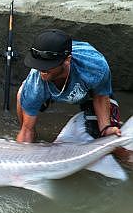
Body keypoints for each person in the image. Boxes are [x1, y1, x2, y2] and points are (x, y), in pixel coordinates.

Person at [16, 29, 131, 162]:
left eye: (47, 66)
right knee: (22, 95)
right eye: (38, 65)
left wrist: (105, 128)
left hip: (89, 94)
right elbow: (26, 131)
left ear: (67, 60)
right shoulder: (36, 80)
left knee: (107, 143)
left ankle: (126, 155)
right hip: (49, 91)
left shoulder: (95, 67)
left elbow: (100, 96)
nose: (41, 71)